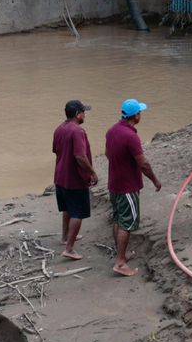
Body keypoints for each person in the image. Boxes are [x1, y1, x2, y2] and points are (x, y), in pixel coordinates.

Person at [104, 99, 161, 277]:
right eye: (140, 113)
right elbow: (143, 163)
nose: (140, 115)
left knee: (118, 219)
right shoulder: (131, 136)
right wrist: (155, 180)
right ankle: (120, 262)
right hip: (127, 186)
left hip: (114, 183)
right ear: (135, 115)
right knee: (127, 224)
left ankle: (121, 254)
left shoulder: (112, 131)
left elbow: (107, 154)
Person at [51, 99, 97, 261]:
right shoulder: (77, 131)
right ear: (78, 115)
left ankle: (65, 237)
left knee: (67, 209)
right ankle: (69, 248)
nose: (85, 115)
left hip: (60, 177)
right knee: (78, 213)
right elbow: (80, 156)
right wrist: (92, 173)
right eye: (84, 112)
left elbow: (56, 152)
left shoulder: (59, 129)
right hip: (74, 180)